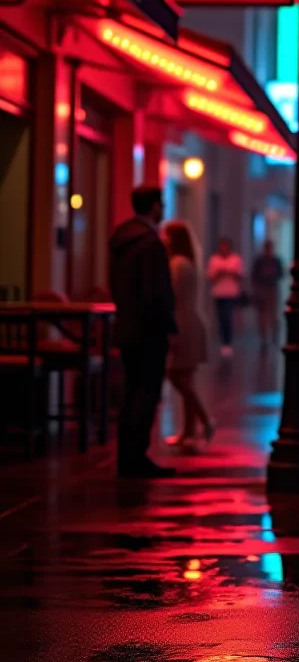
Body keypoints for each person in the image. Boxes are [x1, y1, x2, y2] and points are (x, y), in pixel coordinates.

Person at [109, 185, 177, 478]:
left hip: (127, 326)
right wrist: (167, 327)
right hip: (148, 331)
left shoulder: (122, 238)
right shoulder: (150, 243)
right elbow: (156, 293)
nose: (163, 209)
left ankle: (128, 456)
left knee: (132, 392)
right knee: (146, 393)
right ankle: (136, 457)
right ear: (154, 207)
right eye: (161, 204)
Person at [162, 220, 214, 450]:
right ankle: (189, 432)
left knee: (176, 376)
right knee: (185, 378)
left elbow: (171, 296)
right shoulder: (186, 262)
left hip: (182, 324)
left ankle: (204, 421)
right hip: (189, 322)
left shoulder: (177, 264)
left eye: (166, 235)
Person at [207, 237, 244, 356]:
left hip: (231, 293)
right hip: (218, 293)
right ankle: (224, 341)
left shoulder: (236, 259)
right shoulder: (214, 259)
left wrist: (231, 273)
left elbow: (240, 275)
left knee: (227, 317)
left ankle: (227, 343)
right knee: (221, 318)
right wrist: (220, 273)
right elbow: (211, 277)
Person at [250, 240, 284, 351]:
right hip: (261, 290)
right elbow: (254, 276)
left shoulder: (276, 260)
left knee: (273, 315)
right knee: (262, 316)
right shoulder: (259, 261)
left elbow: (281, 274)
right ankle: (264, 338)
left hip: (272, 289)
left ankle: (274, 334)